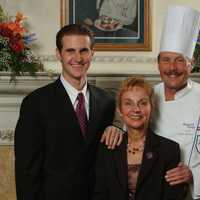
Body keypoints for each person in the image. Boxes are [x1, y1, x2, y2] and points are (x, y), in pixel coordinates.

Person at [103, 5, 200, 200]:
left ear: (192, 63)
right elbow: (132, 134)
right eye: (166, 60)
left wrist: (193, 175)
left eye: (180, 60)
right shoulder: (146, 97)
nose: (172, 68)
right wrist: (114, 130)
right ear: (158, 64)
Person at [14, 24, 120, 200]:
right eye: (70, 50)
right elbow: (27, 171)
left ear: (92, 53)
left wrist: (119, 128)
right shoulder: (35, 103)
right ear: (59, 54)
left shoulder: (106, 101)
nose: (78, 58)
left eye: (84, 51)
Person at [93, 77, 186, 200]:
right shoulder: (107, 147)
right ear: (119, 110)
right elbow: (99, 194)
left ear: (151, 108)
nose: (136, 109)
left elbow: (173, 197)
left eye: (142, 103)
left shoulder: (169, 150)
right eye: (128, 103)